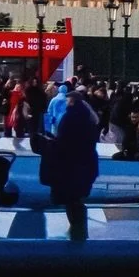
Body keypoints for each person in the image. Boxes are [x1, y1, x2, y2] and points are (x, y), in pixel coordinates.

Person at [47, 87, 102, 241]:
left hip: (70, 165)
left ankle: (76, 229)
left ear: (71, 101)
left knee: (71, 199)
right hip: (86, 163)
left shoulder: (69, 118)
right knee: (77, 198)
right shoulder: (89, 119)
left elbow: (63, 140)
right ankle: (79, 229)